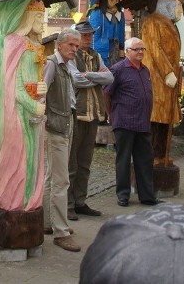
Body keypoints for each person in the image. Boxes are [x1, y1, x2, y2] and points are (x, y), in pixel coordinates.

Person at [0, 0, 47, 214]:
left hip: (33, 110)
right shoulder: (15, 42)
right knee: (18, 158)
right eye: (38, 16)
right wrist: (33, 104)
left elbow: (32, 78)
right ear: (27, 17)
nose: (43, 21)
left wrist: (41, 90)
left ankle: (28, 200)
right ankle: (11, 202)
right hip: (18, 113)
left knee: (32, 159)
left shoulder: (36, 45)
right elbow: (13, 85)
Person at [104, 37, 160, 207]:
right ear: (127, 52)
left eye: (143, 49)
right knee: (123, 160)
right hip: (124, 122)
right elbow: (106, 93)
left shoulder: (145, 70)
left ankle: (147, 196)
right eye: (137, 49)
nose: (141, 52)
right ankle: (123, 195)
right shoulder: (118, 69)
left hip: (143, 122)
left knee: (145, 160)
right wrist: (111, 114)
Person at [67, 20, 113, 220]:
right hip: (77, 113)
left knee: (85, 162)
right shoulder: (71, 56)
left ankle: (80, 201)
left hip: (94, 115)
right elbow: (76, 79)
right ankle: (67, 205)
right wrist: (96, 77)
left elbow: (110, 78)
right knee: (71, 162)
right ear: (76, 36)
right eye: (85, 35)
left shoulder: (96, 56)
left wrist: (90, 75)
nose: (88, 38)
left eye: (90, 35)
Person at [42, 28, 83, 252]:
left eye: (76, 46)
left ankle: (47, 223)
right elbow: (41, 93)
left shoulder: (67, 65)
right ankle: (60, 231)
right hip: (56, 127)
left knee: (52, 178)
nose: (75, 49)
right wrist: (46, 118)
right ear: (59, 45)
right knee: (61, 180)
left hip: (63, 125)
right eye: (71, 45)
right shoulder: (51, 64)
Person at [141, 0, 184, 167]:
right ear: (167, 5)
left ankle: (161, 154)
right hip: (157, 79)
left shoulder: (169, 24)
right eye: (179, 6)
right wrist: (167, 72)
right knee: (156, 119)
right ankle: (151, 155)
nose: (181, 11)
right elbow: (154, 49)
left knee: (165, 119)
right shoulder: (152, 22)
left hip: (169, 81)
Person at [88, 0, 125, 65]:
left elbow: (121, 33)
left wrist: (121, 48)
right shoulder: (97, 13)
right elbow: (94, 35)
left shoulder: (120, 14)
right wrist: (94, 53)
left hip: (116, 49)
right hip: (102, 50)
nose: (115, 2)